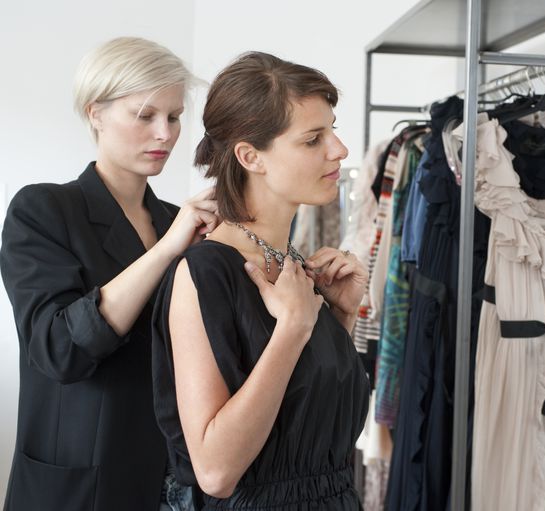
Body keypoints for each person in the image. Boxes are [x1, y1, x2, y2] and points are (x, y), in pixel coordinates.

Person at [0, 37, 219, 511]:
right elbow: (58, 350)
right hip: (82, 485)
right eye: (145, 115)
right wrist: (166, 251)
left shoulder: (173, 221)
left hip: (172, 481)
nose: (165, 133)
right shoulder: (43, 209)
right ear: (96, 113)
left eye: (175, 116)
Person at [151, 52, 370, 510]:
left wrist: (339, 318)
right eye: (314, 139)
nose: (340, 150)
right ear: (251, 156)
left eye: (332, 129)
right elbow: (215, 471)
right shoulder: (205, 273)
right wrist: (292, 330)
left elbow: (303, 416)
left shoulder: (293, 265)